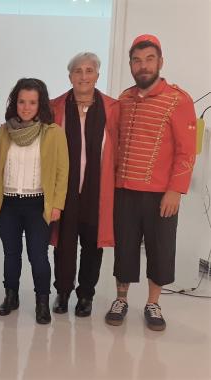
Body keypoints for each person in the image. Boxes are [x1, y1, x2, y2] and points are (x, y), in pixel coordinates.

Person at [106, 34, 196, 331]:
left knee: (160, 248)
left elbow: (186, 150)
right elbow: (115, 143)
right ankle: (121, 298)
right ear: (131, 65)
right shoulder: (124, 98)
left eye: (149, 59)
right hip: (125, 190)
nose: (142, 66)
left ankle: (153, 303)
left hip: (161, 194)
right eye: (136, 60)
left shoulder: (178, 99)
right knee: (125, 248)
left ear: (160, 62)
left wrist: (175, 190)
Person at [0, 78, 68, 325]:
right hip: (8, 204)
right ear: (15, 103)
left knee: (38, 256)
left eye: (32, 102)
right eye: (22, 101)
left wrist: (57, 205)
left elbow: (62, 171)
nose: (26, 107)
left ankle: (42, 301)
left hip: (38, 205)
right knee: (11, 254)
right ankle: (11, 297)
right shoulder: (3, 132)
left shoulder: (53, 133)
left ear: (40, 104)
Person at [49, 52, 119, 317]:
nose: (83, 76)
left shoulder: (112, 108)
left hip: (96, 190)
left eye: (89, 71)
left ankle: (86, 295)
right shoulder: (55, 107)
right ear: (70, 76)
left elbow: (118, 148)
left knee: (92, 244)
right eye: (78, 71)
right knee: (64, 243)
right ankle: (63, 292)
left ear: (97, 76)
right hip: (65, 190)